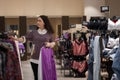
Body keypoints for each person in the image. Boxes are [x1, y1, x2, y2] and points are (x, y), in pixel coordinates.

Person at [10, 15, 57, 80]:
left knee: (45, 76)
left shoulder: (49, 33)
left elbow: (53, 43)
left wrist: (49, 44)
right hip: (34, 58)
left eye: (39, 21)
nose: (37, 22)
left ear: (44, 22)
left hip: (45, 59)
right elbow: (24, 38)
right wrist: (16, 39)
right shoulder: (33, 33)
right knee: (36, 77)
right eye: (37, 21)